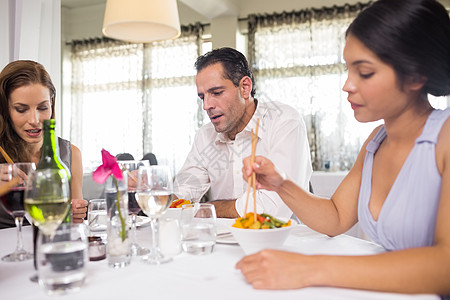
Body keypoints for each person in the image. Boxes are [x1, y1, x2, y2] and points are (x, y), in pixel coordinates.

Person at [236, 0, 450, 296]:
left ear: (416, 75)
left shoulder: (445, 137)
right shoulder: (377, 140)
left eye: (364, 73)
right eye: (348, 69)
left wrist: (307, 268)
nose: (347, 85)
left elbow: (444, 266)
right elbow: (335, 217)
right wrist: (280, 184)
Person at [173, 47, 312, 218]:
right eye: (202, 97)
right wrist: (153, 193)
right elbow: (183, 192)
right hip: (223, 240)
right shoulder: (205, 135)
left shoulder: (284, 122)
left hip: (283, 240)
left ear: (245, 87)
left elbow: (272, 207)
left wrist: (208, 209)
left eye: (216, 93)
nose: (206, 105)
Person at [0, 60, 88, 228]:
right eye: (21, 109)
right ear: (5, 110)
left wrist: (75, 213)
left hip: (50, 250)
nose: (34, 120)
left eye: (42, 107)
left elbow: (73, 223)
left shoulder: (71, 154)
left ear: (52, 105)